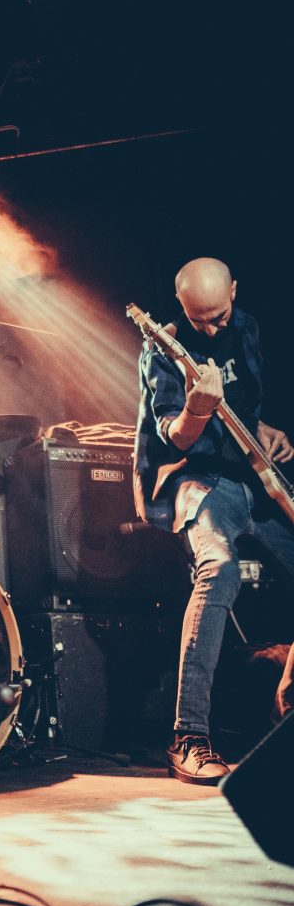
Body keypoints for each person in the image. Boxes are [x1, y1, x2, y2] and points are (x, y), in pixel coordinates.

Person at [134, 257, 294, 785]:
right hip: (200, 480)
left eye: (220, 314)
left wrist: (265, 432)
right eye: (201, 319)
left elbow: (246, 407)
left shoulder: (244, 326)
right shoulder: (163, 349)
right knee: (219, 569)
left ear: (234, 293)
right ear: (181, 307)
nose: (213, 328)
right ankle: (189, 736)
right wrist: (197, 411)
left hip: (254, 474)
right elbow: (173, 438)